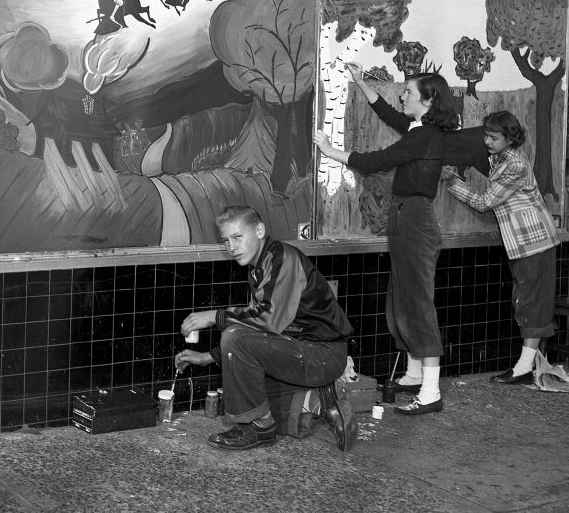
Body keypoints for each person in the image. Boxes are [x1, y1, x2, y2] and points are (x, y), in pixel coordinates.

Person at [314, 61, 461, 416]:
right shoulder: (419, 127)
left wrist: (330, 150)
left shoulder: (424, 136)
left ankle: (430, 391)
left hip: (415, 221)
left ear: (428, 102)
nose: (402, 94)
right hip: (404, 218)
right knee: (402, 299)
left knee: (418, 303)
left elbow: (378, 160)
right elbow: (389, 114)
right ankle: (413, 374)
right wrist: (362, 82)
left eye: (409, 92)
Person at [174, 206, 357, 452]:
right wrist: (207, 358)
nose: (231, 247)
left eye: (238, 237)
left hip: (323, 354)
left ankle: (257, 426)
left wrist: (214, 316)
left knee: (241, 370)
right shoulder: (259, 265)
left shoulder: (283, 258)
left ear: (259, 230)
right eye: (226, 241)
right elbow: (255, 331)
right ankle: (322, 401)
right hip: (301, 353)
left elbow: (267, 321)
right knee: (244, 392)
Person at [441, 110, 560, 385]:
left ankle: (523, 367)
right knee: (526, 301)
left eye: (493, 137)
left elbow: (484, 202)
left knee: (531, 304)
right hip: (523, 243)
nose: (487, 141)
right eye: (486, 135)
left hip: (534, 242)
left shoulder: (514, 165)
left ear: (510, 138)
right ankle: (528, 364)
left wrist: (452, 183)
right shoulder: (501, 157)